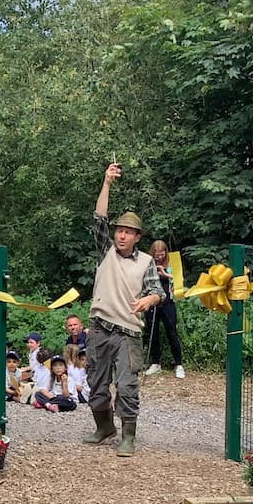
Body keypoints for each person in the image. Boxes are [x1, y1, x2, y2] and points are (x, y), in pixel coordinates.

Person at [83, 162, 164, 457]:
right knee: (96, 381)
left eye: (128, 232)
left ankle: (128, 436)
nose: (121, 235)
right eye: (119, 230)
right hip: (100, 327)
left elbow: (158, 292)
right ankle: (104, 427)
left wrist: (149, 300)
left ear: (137, 237)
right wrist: (106, 182)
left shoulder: (145, 262)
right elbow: (99, 217)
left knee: (127, 385)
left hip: (128, 332)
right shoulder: (105, 251)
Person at [143, 240, 185, 379]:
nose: (159, 257)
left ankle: (178, 364)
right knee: (152, 333)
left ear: (166, 252)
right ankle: (155, 363)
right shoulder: (148, 263)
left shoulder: (172, 262)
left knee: (172, 332)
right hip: (152, 302)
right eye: (156, 255)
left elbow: (179, 280)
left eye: (161, 254)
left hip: (168, 302)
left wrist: (164, 273)